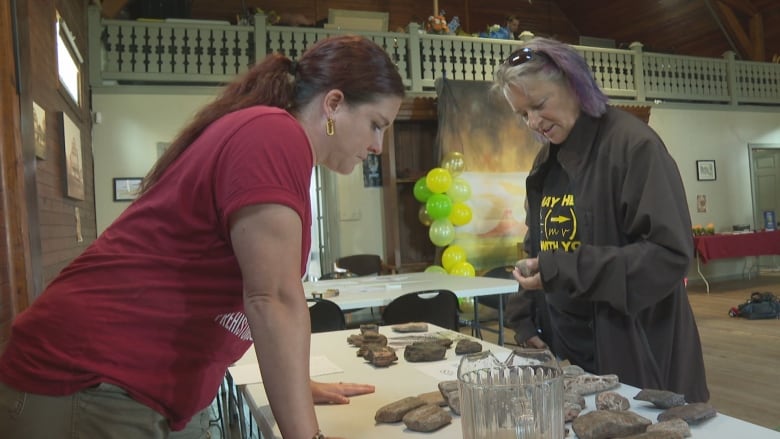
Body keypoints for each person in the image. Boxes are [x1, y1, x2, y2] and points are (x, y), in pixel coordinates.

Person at [0, 35, 405, 439]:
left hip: (128, 385)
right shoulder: (275, 134)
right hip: (91, 380)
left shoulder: (270, 135)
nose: (376, 146)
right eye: (375, 125)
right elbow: (273, 299)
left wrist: (299, 388)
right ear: (333, 104)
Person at [494, 37, 709, 403]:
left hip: (637, 350)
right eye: (522, 114)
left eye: (539, 105)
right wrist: (525, 316)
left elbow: (669, 255)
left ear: (575, 84)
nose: (532, 122)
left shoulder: (634, 147)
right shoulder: (546, 162)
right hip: (568, 350)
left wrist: (564, 270)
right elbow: (539, 245)